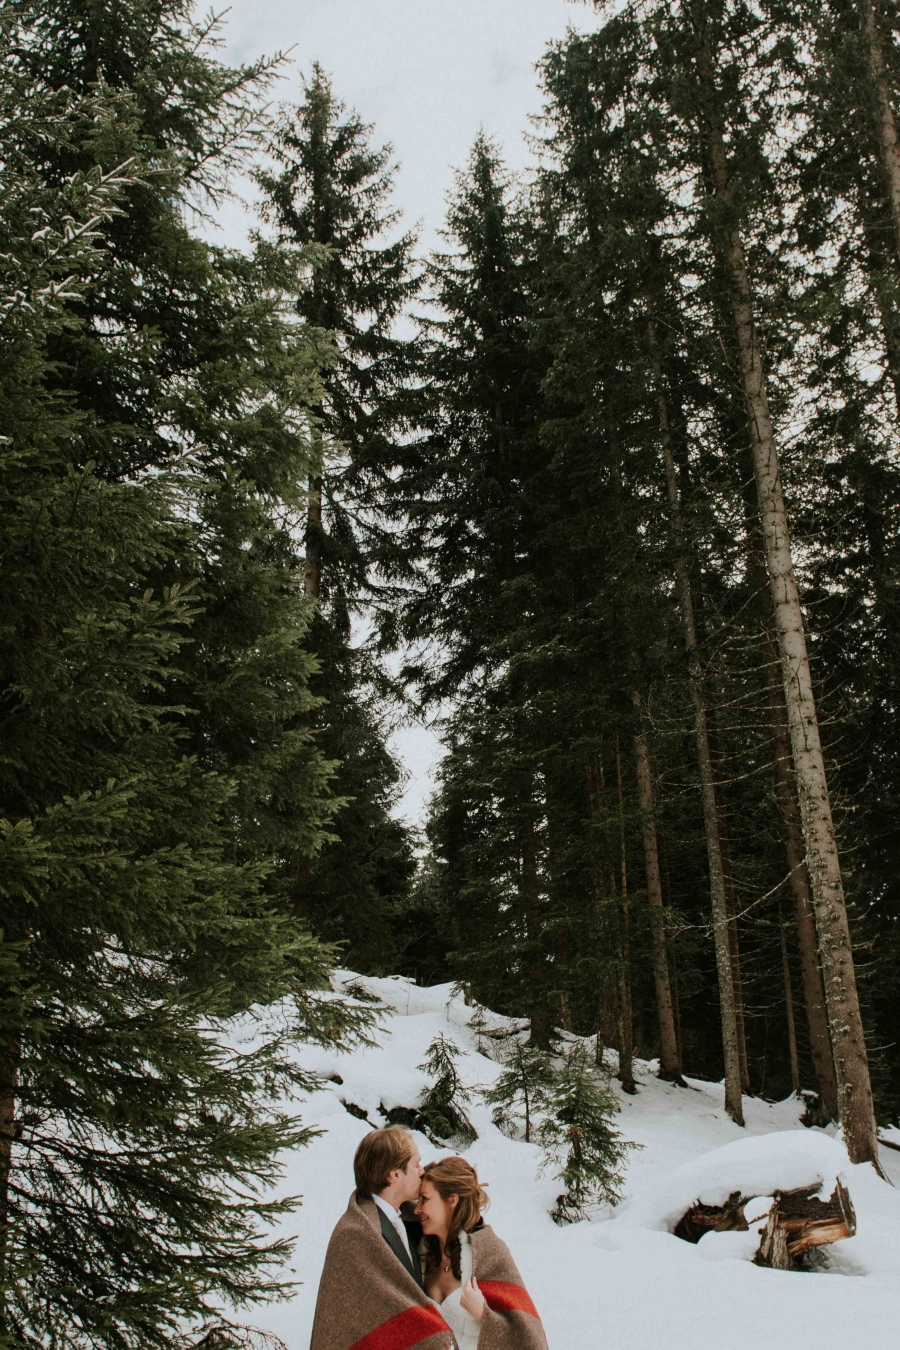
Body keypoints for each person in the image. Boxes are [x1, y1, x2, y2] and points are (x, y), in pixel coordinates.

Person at [309, 1128, 453, 1350]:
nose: (422, 1171)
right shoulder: (356, 1234)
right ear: (395, 1175)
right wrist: (433, 1335)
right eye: (416, 1165)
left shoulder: (406, 1220)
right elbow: (367, 1317)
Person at [414, 1157, 547, 1350]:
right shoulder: (420, 1251)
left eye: (424, 1199)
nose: (417, 1209)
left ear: (451, 1201)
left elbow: (531, 1342)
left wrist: (484, 1315)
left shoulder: (489, 1252)